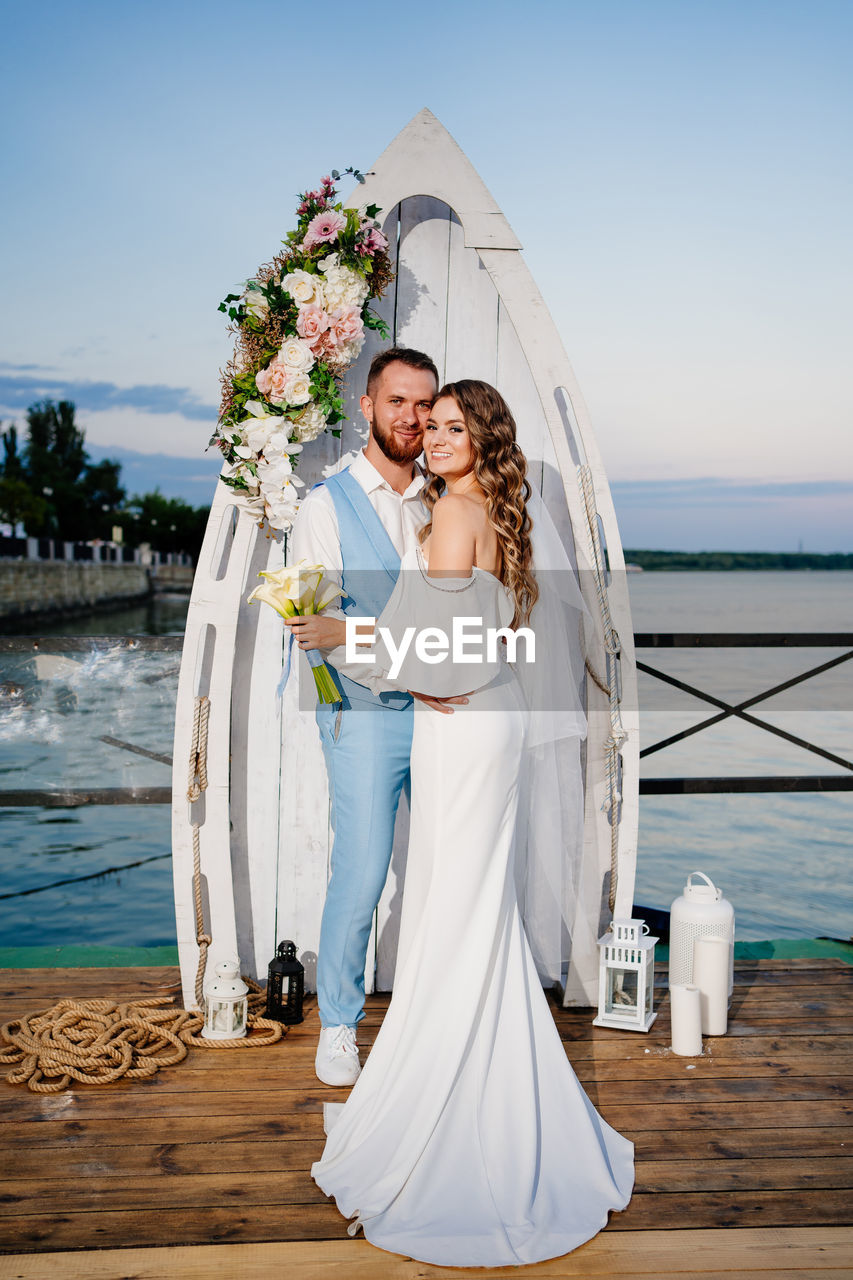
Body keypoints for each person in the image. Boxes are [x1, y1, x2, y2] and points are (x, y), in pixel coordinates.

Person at [291, 380, 635, 1267]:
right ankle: (498, 1087)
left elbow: (438, 653)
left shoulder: (451, 515)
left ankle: (451, 1105)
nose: (434, 437)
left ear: (481, 440)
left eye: (451, 426)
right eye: (427, 425)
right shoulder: (489, 509)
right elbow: (490, 641)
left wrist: (339, 636)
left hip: (466, 732)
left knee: (457, 912)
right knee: (475, 912)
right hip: (494, 722)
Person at [287, 345, 467, 1087]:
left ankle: (445, 1016)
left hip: (447, 717)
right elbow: (311, 624)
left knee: (448, 866)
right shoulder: (320, 508)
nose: (414, 418)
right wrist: (409, 668)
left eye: (426, 405)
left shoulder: (443, 503)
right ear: (367, 407)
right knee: (360, 876)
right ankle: (338, 1027)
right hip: (362, 716)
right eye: (398, 401)